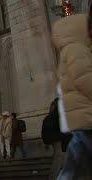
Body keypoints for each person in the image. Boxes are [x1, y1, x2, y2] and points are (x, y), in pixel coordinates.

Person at [52, 13, 92, 179]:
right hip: (86, 118)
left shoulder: (71, 49)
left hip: (81, 119)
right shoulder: (77, 49)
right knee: (74, 167)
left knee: (76, 164)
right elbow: (84, 78)